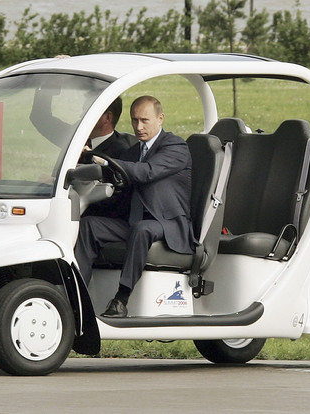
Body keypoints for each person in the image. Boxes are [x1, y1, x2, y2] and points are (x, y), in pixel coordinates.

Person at [74, 96, 195, 318]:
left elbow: (146, 172)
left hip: (167, 225)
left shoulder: (175, 146)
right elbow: (119, 182)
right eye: (134, 121)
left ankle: (121, 299)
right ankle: (75, 298)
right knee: (89, 225)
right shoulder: (132, 152)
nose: (139, 127)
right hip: (133, 220)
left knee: (142, 229)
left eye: (145, 120)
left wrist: (105, 162)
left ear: (160, 119)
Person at [30, 83, 137, 217]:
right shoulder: (75, 136)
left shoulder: (121, 151)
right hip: (51, 209)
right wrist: (46, 84)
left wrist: (56, 183)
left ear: (107, 118)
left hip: (87, 220)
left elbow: (110, 199)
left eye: (87, 112)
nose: (81, 116)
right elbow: (40, 118)